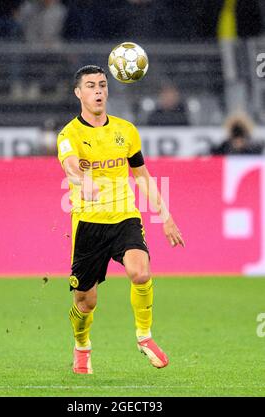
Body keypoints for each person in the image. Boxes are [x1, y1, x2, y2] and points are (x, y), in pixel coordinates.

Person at [57, 65, 185, 374]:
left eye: (102, 84)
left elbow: (142, 176)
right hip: (88, 223)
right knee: (86, 302)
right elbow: (70, 165)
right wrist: (80, 180)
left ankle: (144, 336)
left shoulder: (126, 131)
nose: (99, 90)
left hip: (125, 216)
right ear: (79, 93)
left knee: (140, 273)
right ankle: (82, 345)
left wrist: (165, 216)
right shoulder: (68, 134)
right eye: (91, 86)